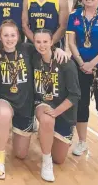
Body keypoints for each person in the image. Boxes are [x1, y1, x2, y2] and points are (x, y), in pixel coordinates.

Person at [0, 20, 67, 179]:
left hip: (24, 106)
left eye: (13, 35)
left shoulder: (28, 49)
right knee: (4, 115)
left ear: (18, 36)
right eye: (6, 35)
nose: (9, 39)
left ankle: (21, 132)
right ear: (0, 37)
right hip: (4, 100)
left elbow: (45, 47)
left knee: (20, 154)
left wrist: (58, 49)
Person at [67, 0, 98, 160]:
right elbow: (71, 42)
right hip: (79, 66)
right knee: (81, 104)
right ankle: (82, 141)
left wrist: (92, 63)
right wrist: (80, 61)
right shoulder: (74, 16)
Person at [33, 29, 80, 182]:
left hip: (63, 111)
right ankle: (46, 163)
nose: (41, 45)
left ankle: (48, 136)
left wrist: (57, 111)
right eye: (38, 42)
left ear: (52, 42)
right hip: (43, 103)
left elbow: (75, 95)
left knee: (59, 159)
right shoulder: (33, 57)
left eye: (45, 41)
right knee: (47, 120)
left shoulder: (66, 63)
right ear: (33, 42)